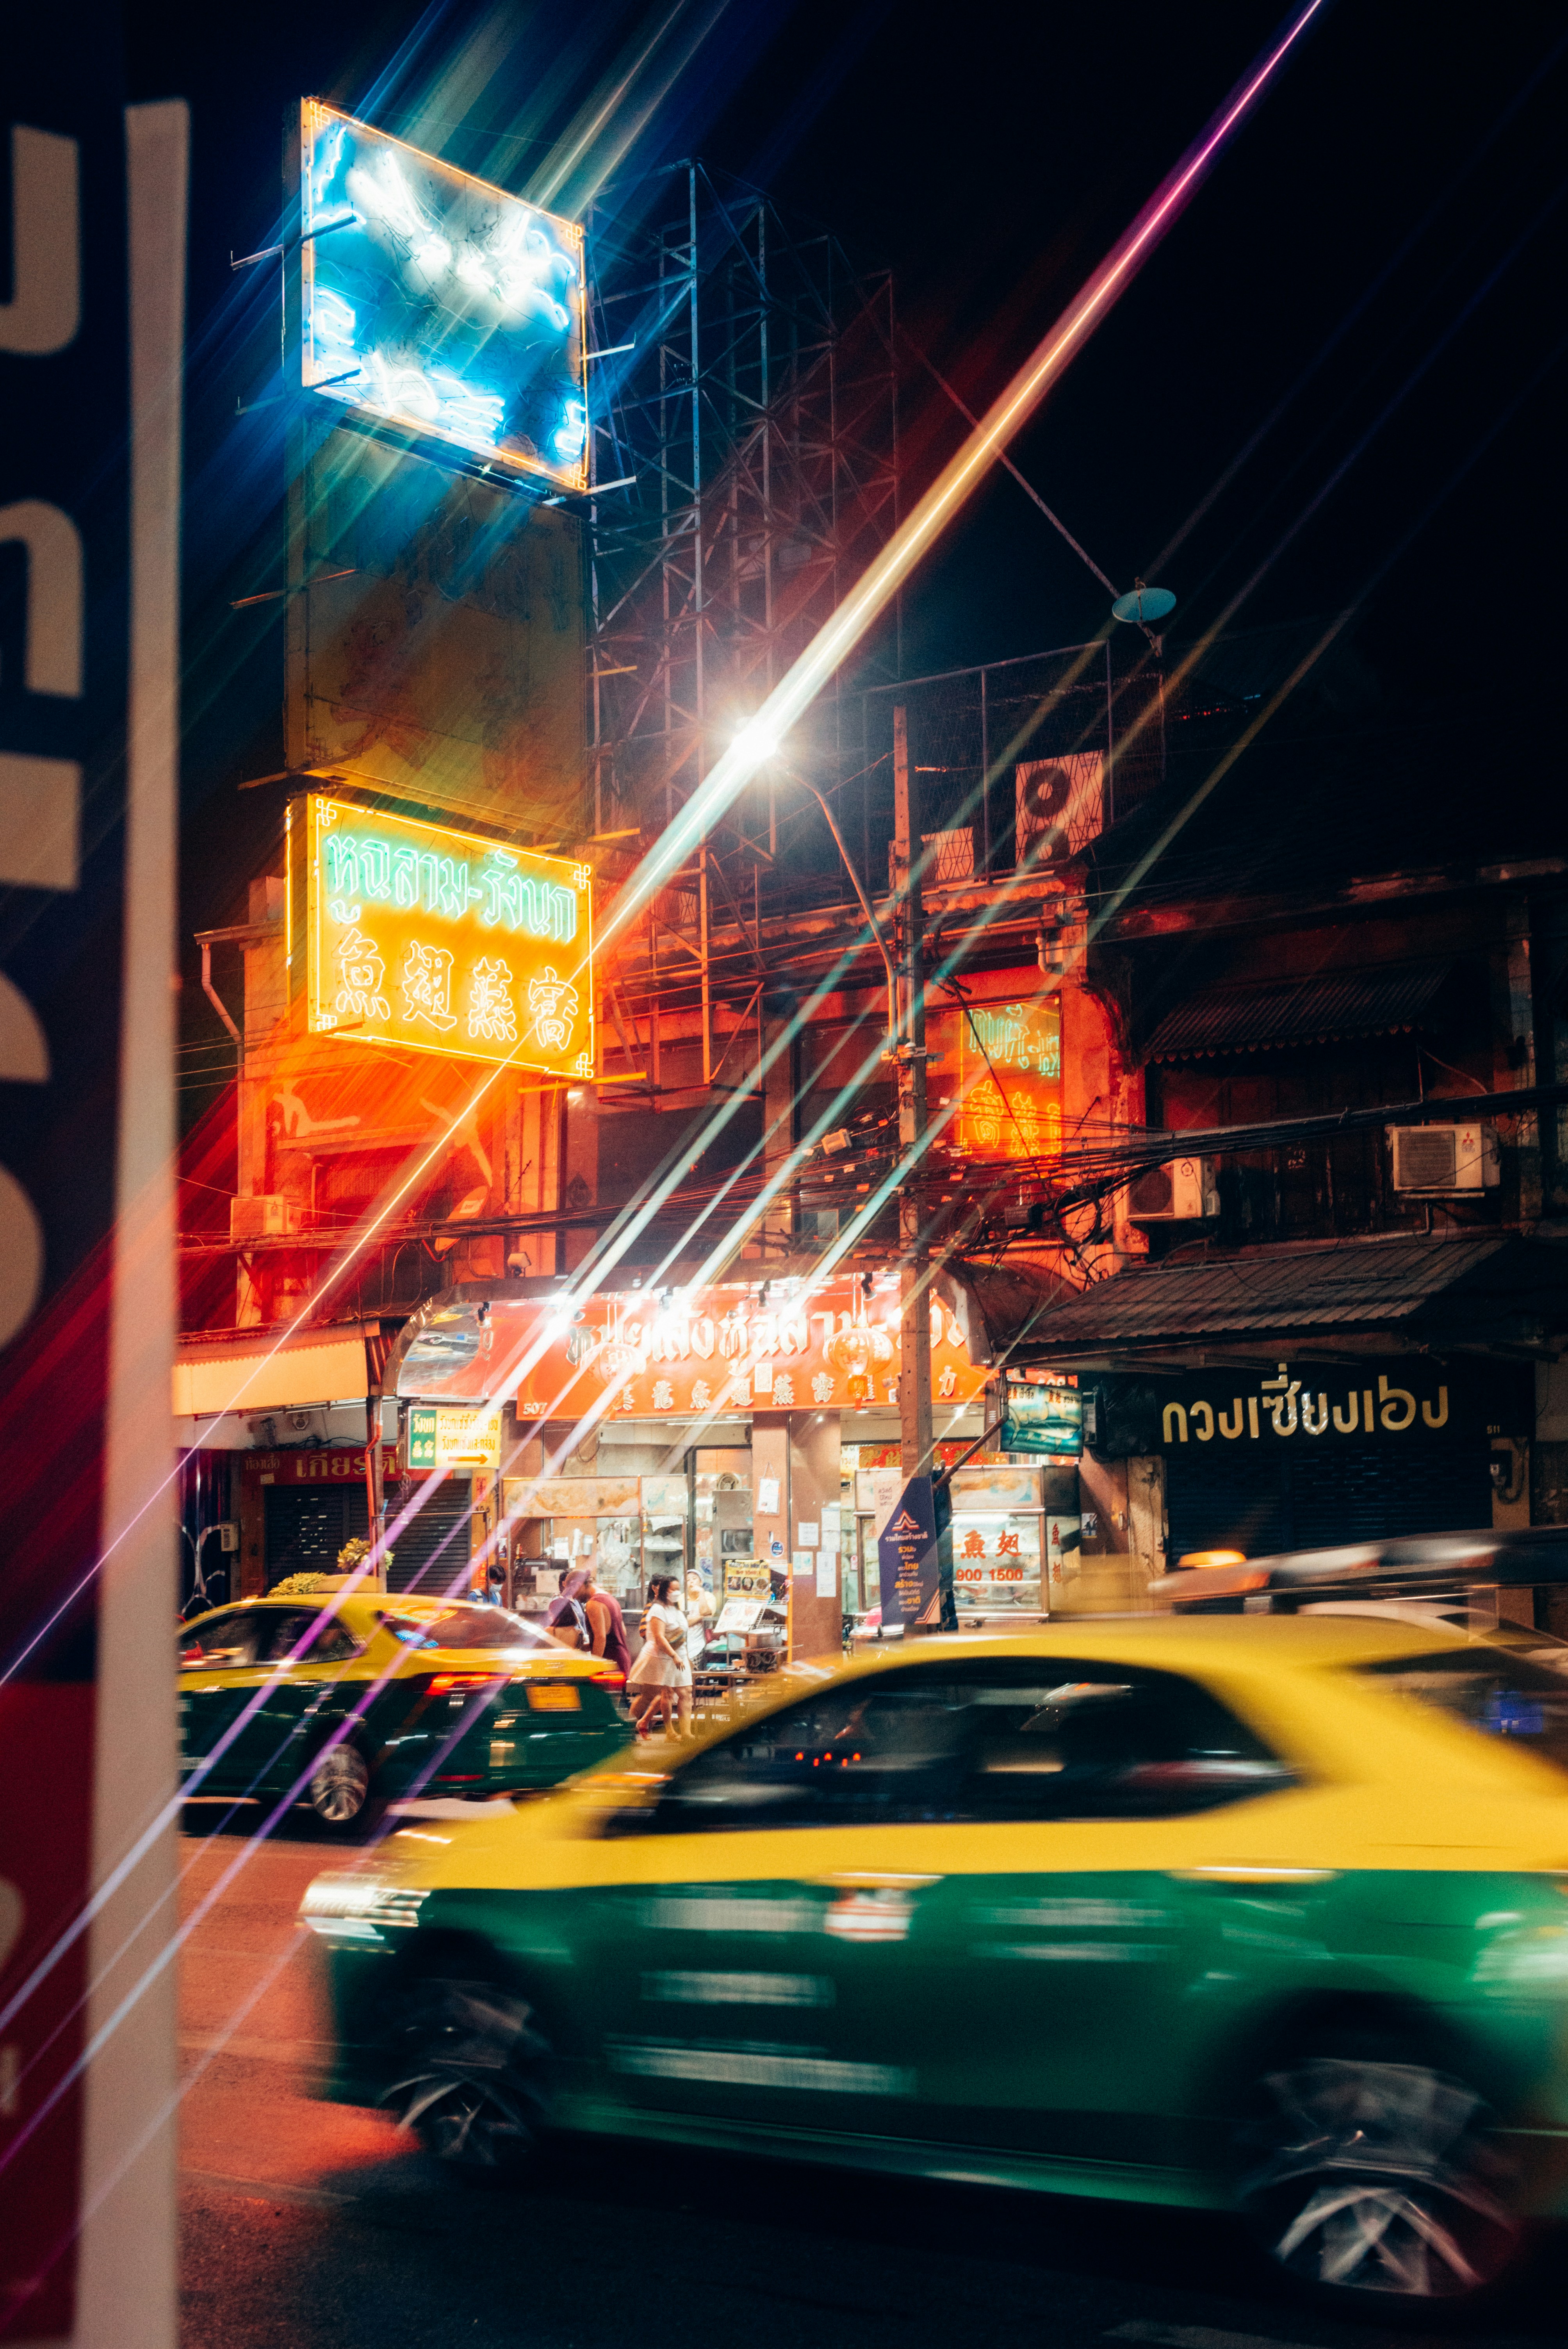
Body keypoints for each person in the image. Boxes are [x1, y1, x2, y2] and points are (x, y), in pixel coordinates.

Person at [627, 1573, 692, 1739]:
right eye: (673, 1589)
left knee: (686, 1693)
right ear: (664, 1591)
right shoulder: (657, 1609)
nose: (677, 1593)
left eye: (679, 1589)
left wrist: (685, 1657)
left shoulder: (676, 1609)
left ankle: (686, 1734)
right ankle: (626, 1728)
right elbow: (659, 1637)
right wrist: (674, 1655)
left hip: (679, 1658)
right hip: (660, 1659)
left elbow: (682, 1635)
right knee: (648, 1696)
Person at [581, 1566, 631, 1677]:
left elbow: (601, 1638)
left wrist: (593, 1667)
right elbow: (623, 1632)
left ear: (582, 1585)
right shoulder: (610, 1598)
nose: (574, 1596)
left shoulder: (594, 1603)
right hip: (621, 1660)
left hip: (608, 1663)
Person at [546, 1567, 591, 1650]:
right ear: (564, 1584)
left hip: (581, 1641)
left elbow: (583, 1623)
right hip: (565, 1642)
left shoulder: (578, 1602)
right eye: (571, 1584)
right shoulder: (558, 1602)